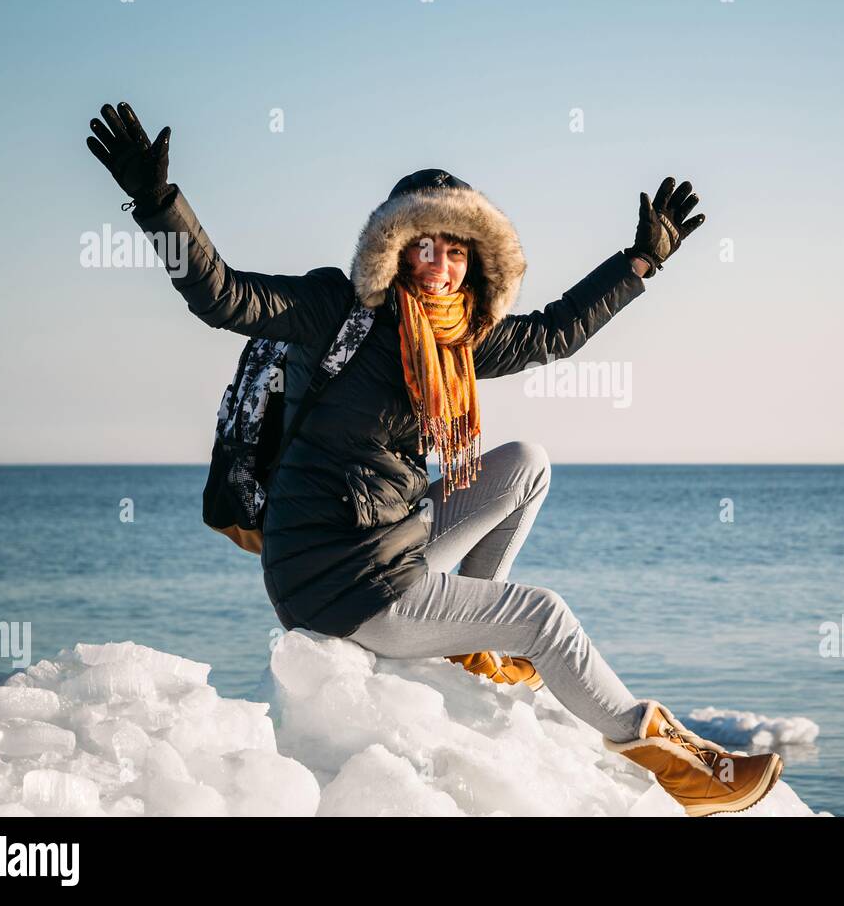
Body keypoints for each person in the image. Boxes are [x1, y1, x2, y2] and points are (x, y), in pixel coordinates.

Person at [86, 100, 784, 816]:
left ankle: (470, 643)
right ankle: (682, 770)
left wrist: (638, 264)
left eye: (457, 252)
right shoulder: (336, 309)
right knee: (543, 617)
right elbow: (221, 296)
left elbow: (553, 334)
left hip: (391, 541)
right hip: (336, 577)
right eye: (427, 247)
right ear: (395, 247)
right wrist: (156, 201)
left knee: (525, 464)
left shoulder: (460, 338)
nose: (442, 267)